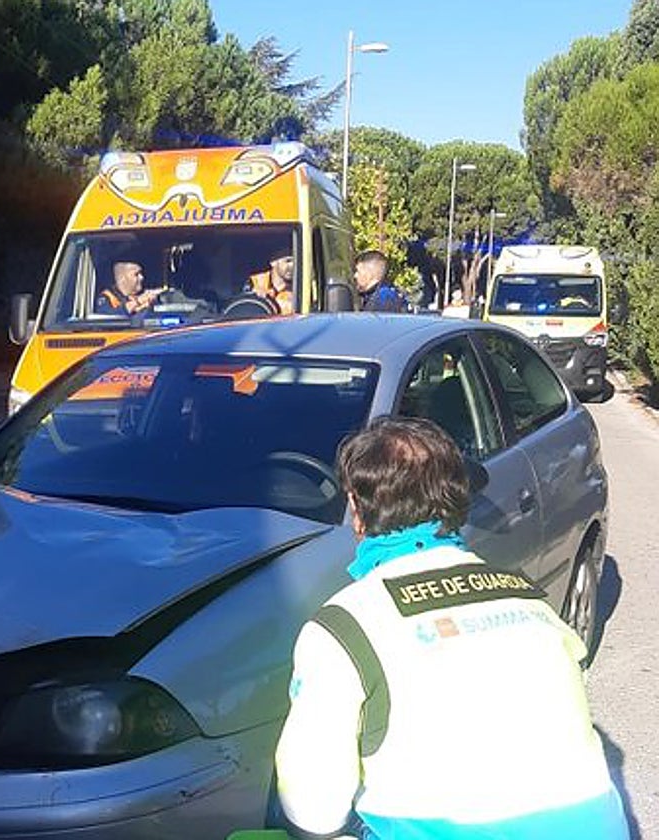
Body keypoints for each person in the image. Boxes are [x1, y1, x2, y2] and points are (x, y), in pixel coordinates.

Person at [275, 416, 629, 840]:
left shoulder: (344, 625)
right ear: (459, 503)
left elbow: (312, 810)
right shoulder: (532, 603)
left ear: (356, 509)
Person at [95, 261, 165, 315]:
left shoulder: (142, 293)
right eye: (136, 274)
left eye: (141, 274)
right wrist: (138, 301)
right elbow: (108, 318)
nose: (141, 277)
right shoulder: (107, 297)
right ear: (122, 278)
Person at [246, 248, 296, 314]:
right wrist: (254, 296)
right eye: (288, 261)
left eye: (295, 262)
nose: (292, 265)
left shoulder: (300, 288)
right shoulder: (254, 281)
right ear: (273, 263)